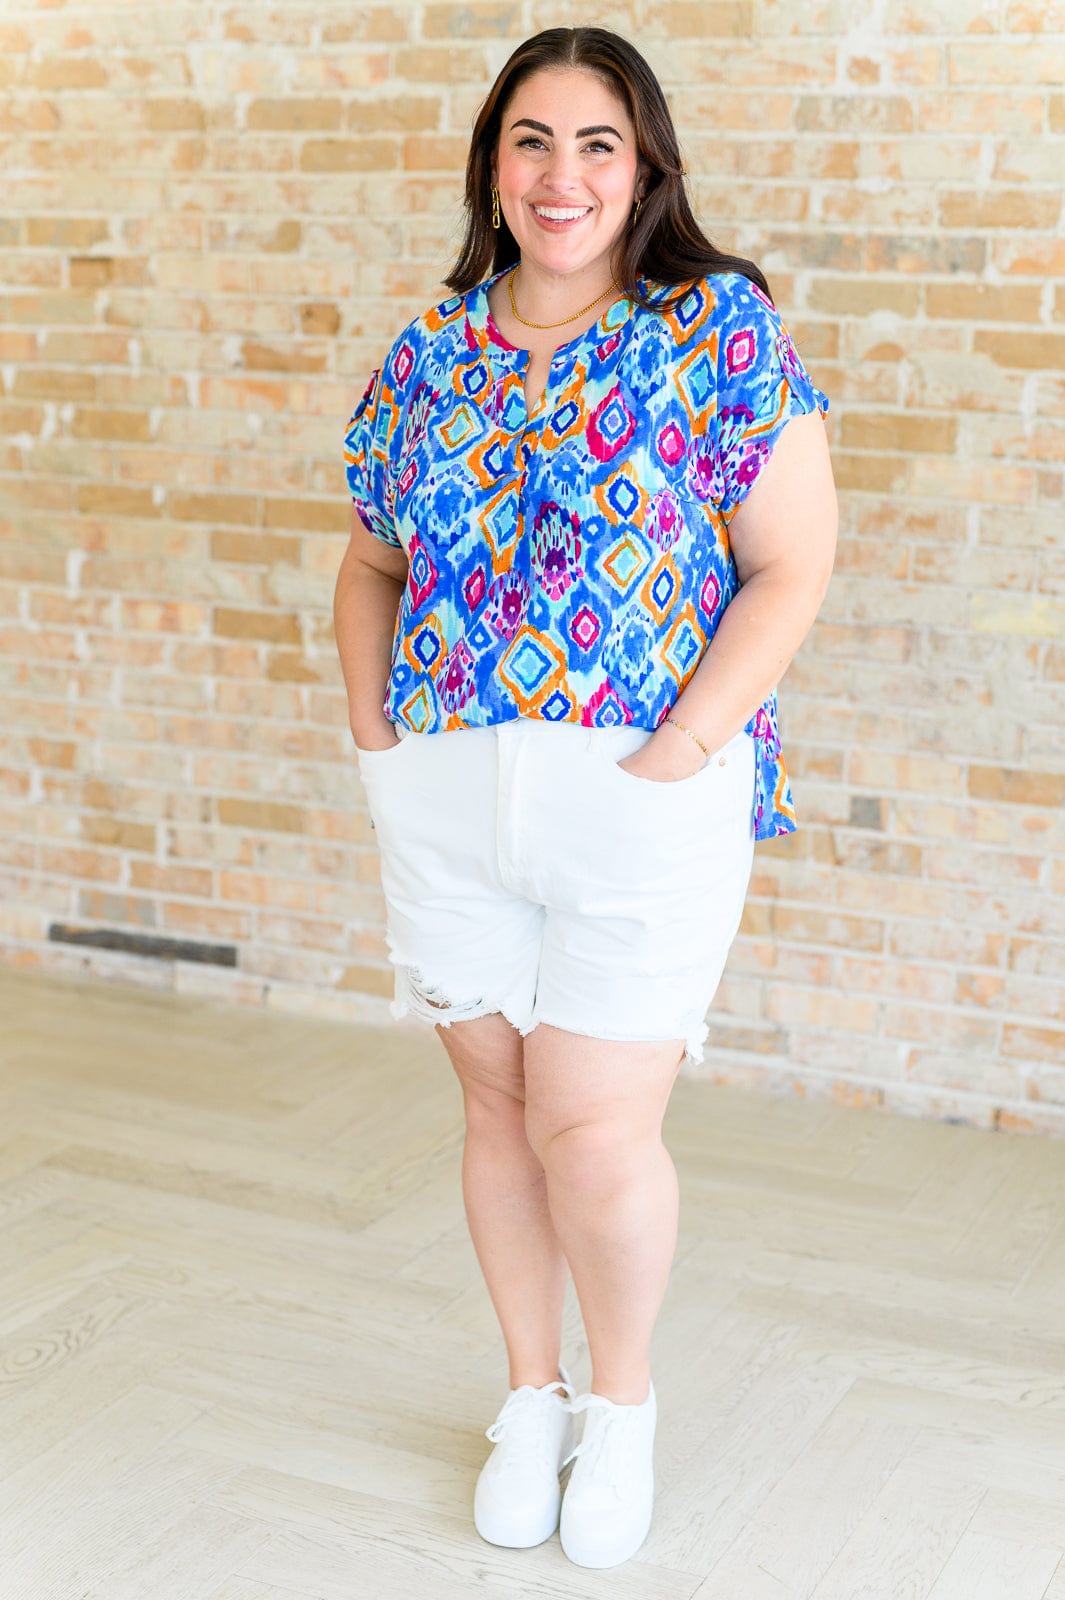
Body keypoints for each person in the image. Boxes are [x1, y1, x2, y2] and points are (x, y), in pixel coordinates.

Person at [334, 25, 837, 1571]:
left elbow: (789, 564)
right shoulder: (430, 346)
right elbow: (369, 557)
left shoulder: (713, 330)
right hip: (444, 795)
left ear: (646, 165)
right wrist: (377, 736)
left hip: (638, 798)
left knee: (594, 1128)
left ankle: (620, 1409)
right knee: (495, 1108)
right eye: (533, 140)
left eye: (597, 143)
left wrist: (680, 751)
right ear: (493, 163)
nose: (563, 175)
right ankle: (529, 1396)